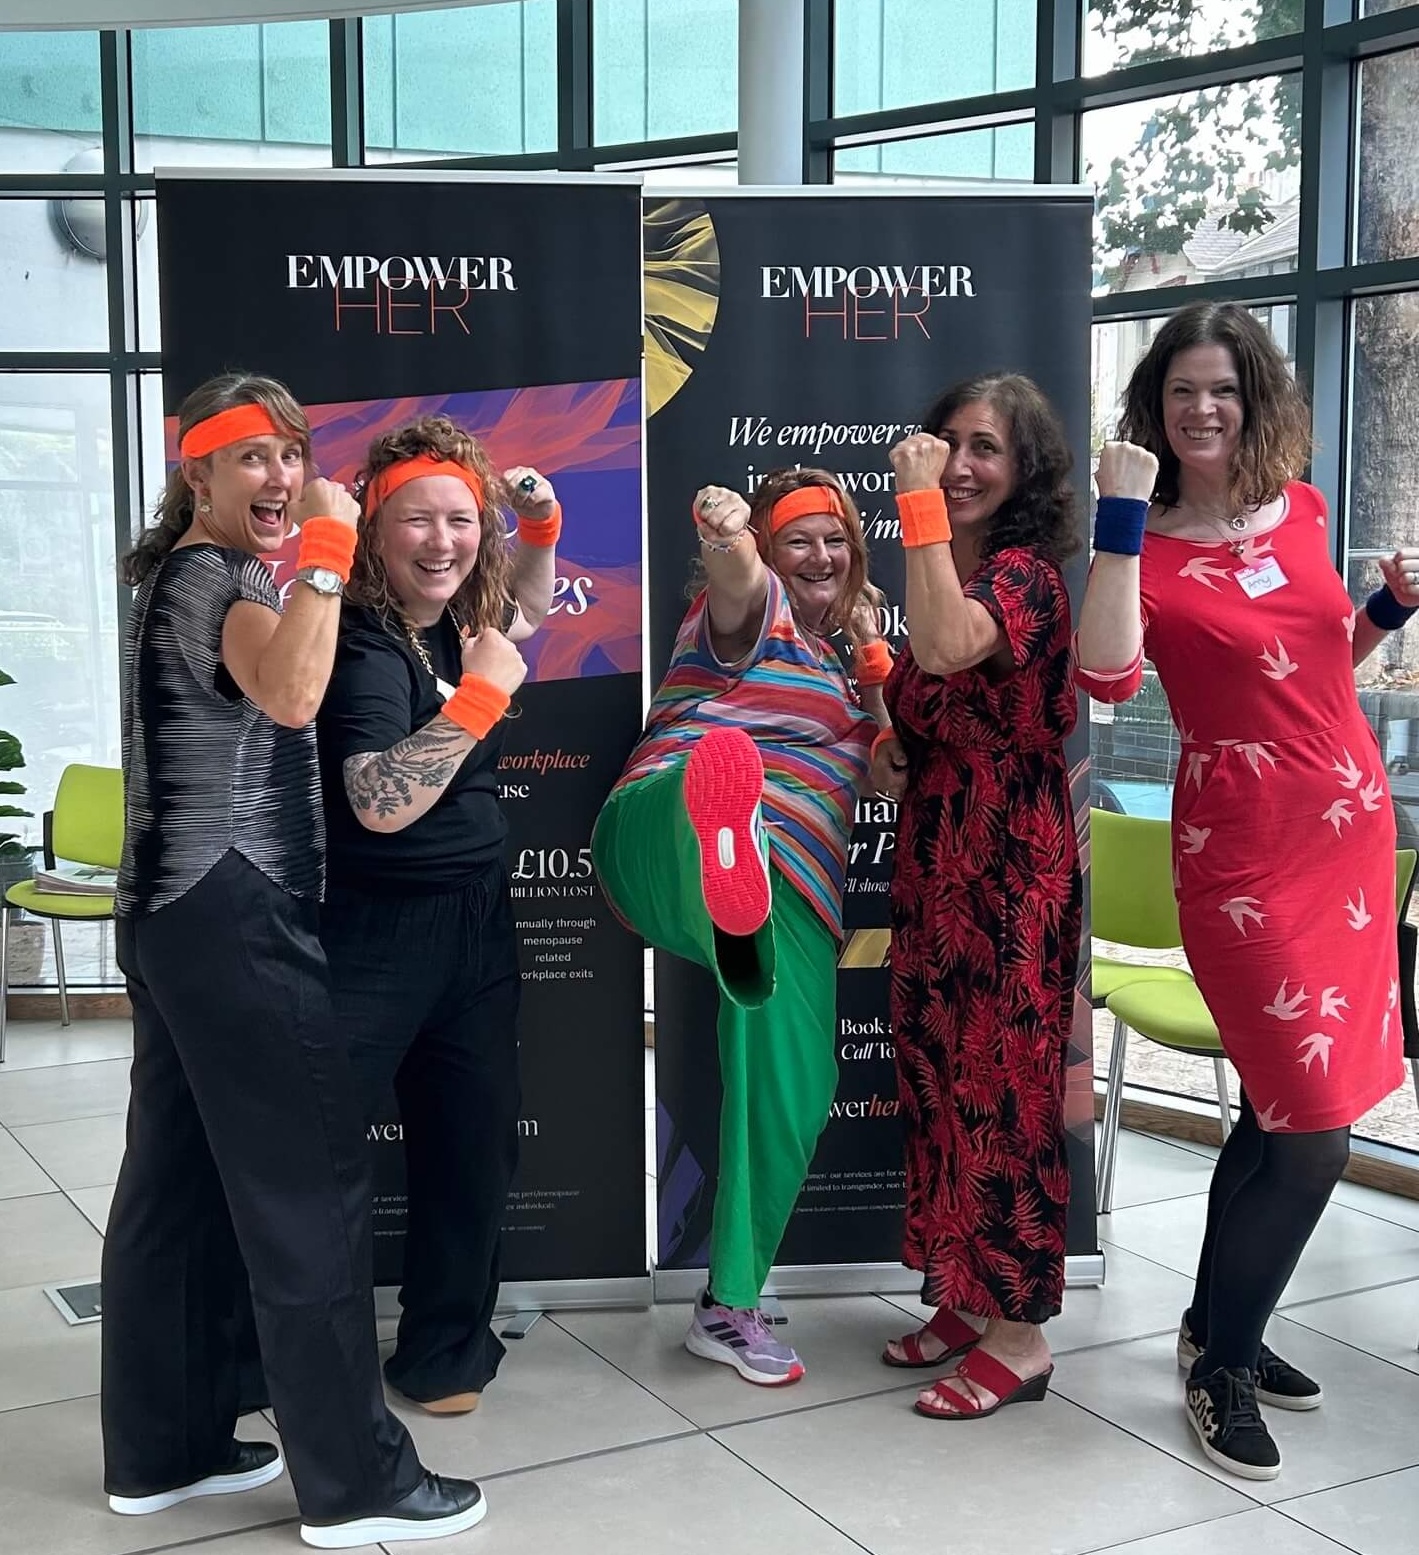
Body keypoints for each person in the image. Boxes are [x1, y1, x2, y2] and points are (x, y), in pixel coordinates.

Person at [103, 372, 485, 1549]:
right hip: (232, 910)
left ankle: (165, 1447)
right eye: (252, 456)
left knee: (175, 1184)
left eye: (293, 453)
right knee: (310, 1190)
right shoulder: (213, 576)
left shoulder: (190, 577)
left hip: (172, 910)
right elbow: (294, 691)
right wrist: (326, 540)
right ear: (197, 473)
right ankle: (356, 1480)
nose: (279, 475)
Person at [1075, 301, 1414, 1482]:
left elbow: (1316, 663)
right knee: (1315, 1131)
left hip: (1347, 831)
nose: (1202, 408)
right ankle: (1223, 1370)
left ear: (1254, 397)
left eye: (1222, 388)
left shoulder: (1303, 509)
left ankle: (1216, 1328)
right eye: (1181, 391)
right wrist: (1120, 520)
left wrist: (1389, 610)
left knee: (1274, 1114)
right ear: (1155, 408)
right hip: (1243, 850)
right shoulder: (1143, 541)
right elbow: (1105, 674)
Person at [592, 468, 889, 1385]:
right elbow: (737, 580)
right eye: (797, 538)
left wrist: (875, 667)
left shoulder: (849, 663)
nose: (820, 555)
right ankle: (730, 829)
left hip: (792, 891)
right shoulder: (754, 616)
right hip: (659, 830)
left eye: (834, 539)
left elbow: (892, 771)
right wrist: (727, 536)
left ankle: (727, 1304)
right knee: (713, 779)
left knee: (795, 1086)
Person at [315, 414, 555, 1415]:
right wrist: (479, 702)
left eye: (460, 519)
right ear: (373, 529)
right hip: (375, 930)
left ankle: (445, 1352)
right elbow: (376, 798)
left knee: (472, 1143)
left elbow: (523, 616)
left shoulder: (449, 618)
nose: (443, 540)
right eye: (418, 520)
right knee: (317, 1154)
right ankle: (278, 1357)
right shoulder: (363, 642)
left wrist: (540, 531)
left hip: (475, 924)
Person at [870, 375, 1083, 1421]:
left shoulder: (1024, 575)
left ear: (1023, 469)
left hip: (1009, 869)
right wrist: (890, 748)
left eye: (984, 447)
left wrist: (915, 504)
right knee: (940, 1082)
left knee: (1004, 1095)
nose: (958, 464)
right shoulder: (941, 568)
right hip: (936, 861)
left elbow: (950, 646)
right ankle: (964, 1292)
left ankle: (1020, 1334)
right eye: (945, 441)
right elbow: (923, 699)